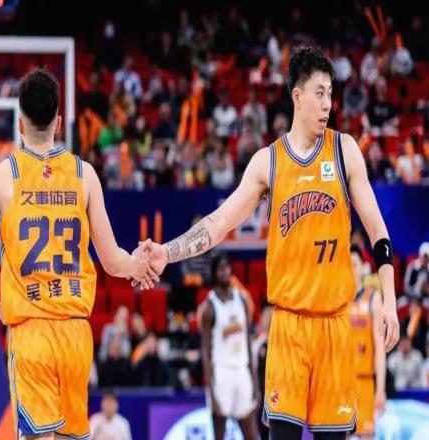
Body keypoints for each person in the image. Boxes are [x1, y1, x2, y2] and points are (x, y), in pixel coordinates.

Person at [137, 46, 399, 440]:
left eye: (330, 94)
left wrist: (390, 301)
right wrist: (167, 251)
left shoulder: (345, 151)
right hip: (288, 328)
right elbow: (219, 223)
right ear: (297, 96)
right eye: (319, 93)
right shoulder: (268, 162)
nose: (327, 104)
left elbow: (379, 232)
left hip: (334, 326)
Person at [0, 68, 156, 440]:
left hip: (32, 332)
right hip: (76, 334)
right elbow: (113, 261)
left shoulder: (1, 177)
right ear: (59, 122)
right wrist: (139, 265)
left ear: (19, 123)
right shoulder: (85, 174)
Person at [199, 256, 259, 440]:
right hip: (221, 371)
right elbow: (205, 351)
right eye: (220, 269)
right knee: (220, 433)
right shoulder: (209, 307)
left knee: (251, 433)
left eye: (227, 268)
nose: (224, 272)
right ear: (214, 273)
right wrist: (210, 388)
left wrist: (254, 380)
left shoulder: (242, 300)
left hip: (241, 369)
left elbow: (248, 341)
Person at [349, 245, 386, 439]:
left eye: (354, 264)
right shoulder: (337, 300)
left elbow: (380, 348)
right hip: (341, 384)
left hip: (364, 382)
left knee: (367, 435)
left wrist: (380, 389)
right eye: (347, 264)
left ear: (362, 268)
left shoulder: (373, 298)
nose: (350, 269)